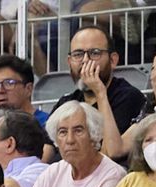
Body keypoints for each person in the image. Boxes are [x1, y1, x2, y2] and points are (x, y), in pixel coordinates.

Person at [19, 102, 126, 187]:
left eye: (78, 130)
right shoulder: (52, 172)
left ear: (94, 136)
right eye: (62, 132)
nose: (70, 140)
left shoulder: (112, 176)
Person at [54, 25, 148, 160]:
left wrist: (100, 92)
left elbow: (110, 152)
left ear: (113, 60)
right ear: (69, 62)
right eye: (78, 54)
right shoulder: (67, 102)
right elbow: (47, 149)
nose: (85, 60)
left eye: (95, 53)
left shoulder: (128, 96)